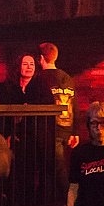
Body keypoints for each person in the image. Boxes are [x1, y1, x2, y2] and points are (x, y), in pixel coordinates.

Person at [39, 42, 79, 194]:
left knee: (57, 168)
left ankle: (72, 201)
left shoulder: (41, 78)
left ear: (41, 58)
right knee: (54, 167)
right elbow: (75, 104)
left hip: (50, 130)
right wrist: (75, 132)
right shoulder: (67, 77)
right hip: (67, 127)